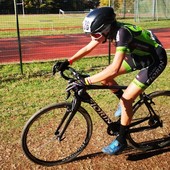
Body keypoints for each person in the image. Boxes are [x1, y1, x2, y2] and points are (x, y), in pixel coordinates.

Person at [54, 7, 167, 155]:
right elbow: (89, 47)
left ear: (106, 29)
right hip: (139, 55)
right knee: (106, 80)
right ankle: (125, 106)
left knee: (127, 99)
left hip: (155, 60)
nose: (93, 38)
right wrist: (68, 62)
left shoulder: (122, 33)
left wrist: (86, 82)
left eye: (95, 34)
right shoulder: (109, 31)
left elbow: (114, 68)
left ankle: (121, 140)